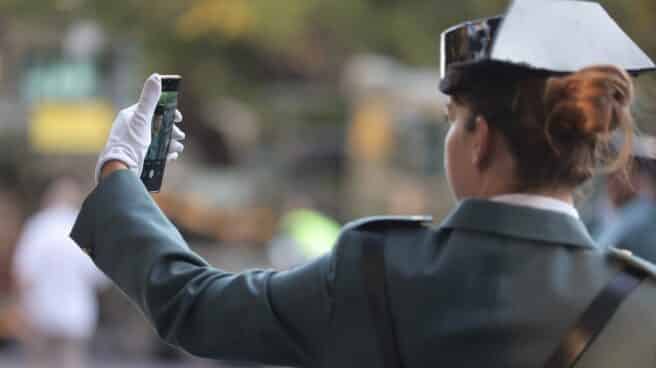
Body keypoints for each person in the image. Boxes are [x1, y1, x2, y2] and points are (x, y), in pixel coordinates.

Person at [71, 1, 656, 367]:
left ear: (479, 139)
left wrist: (121, 171)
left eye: (453, 123)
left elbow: (193, 305)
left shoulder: (372, 269)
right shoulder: (642, 305)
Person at [13, 178, 109, 368]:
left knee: (39, 362)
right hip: (76, 313)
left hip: (41, 311)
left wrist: (21, 305)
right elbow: (99, 277)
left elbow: (23, 271)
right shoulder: (85, 228)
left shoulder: (38, 226)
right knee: (70, 361)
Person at [597, 136, 656, 260]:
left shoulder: (644, 223)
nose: (614, 177)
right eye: (611, 168)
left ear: (640, 178)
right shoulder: (601, 215)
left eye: (624, 171)